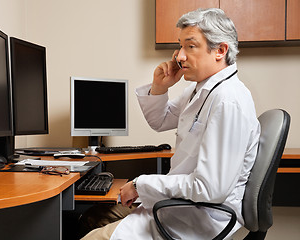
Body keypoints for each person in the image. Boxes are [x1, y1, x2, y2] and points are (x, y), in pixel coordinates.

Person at [81, 8, 260, 239]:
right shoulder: (202, 89)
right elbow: (160, 121)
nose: (179, 56)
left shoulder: (228, 100)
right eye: (181, 46)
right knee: (90, 217)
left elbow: (209, 189)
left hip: (196, 220)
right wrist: (160, 87)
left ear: (220, 50)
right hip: (179, 207)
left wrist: (139, 185)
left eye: (190, 46)